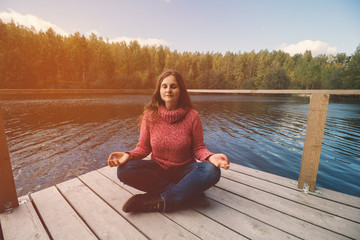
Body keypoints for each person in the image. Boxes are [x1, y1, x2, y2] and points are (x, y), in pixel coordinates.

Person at [107, 70, 230, 213]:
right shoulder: (150, 116)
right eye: (164, 86)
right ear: (159, 90)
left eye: (173, 86)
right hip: (159, 171)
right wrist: (128, 155)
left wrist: (210, 156)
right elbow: (143, 148)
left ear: (181, 90)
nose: (168, 90)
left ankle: (157, 201)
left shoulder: (192, 116)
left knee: (211, 171)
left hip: (185, 171)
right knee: (124, 170)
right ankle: (189, 195)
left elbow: (199, 148)